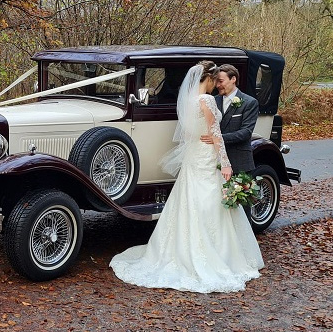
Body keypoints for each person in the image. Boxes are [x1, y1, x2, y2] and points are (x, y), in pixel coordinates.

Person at [110, 61, 264, 293]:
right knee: (210, 203)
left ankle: (180, 248)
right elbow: (215, 135)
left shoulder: (190, 101)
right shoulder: (208, 100)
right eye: (216, 81)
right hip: (207, 156)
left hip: (194, 157)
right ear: (209, 79)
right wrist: (225, 163)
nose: (216, 86)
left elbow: (192, 134)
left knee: (189, 202)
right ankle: (213, 254)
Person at [201, 64, 259, 174]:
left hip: (239, 161)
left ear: (233, 79)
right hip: (214, 160)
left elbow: (246, 132)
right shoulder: (212, 101)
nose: (217, 85)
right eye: (216, 81)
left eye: (221, 81)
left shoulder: (250, 102)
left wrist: (217, 138)